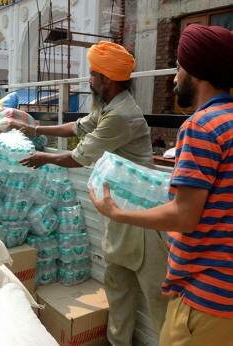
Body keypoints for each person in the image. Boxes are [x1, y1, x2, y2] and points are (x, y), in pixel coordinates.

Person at [15, 41, 169, 346]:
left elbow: (80, 156)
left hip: (145, 218)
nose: (89, 80)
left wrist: (42, 158)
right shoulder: (108, 105)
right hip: (119, 210)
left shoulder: (122, 115)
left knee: (156, 298)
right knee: (118, 284)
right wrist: (35, 130)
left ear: (108, 80)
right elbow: (79, 128)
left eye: (93, 74)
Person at [89, 24, 233, 346]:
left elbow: (184, 215)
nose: (174, 78)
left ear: (196, 72)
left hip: (205, 298)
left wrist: (117, 212)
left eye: (179, 68)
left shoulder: (201, 126)